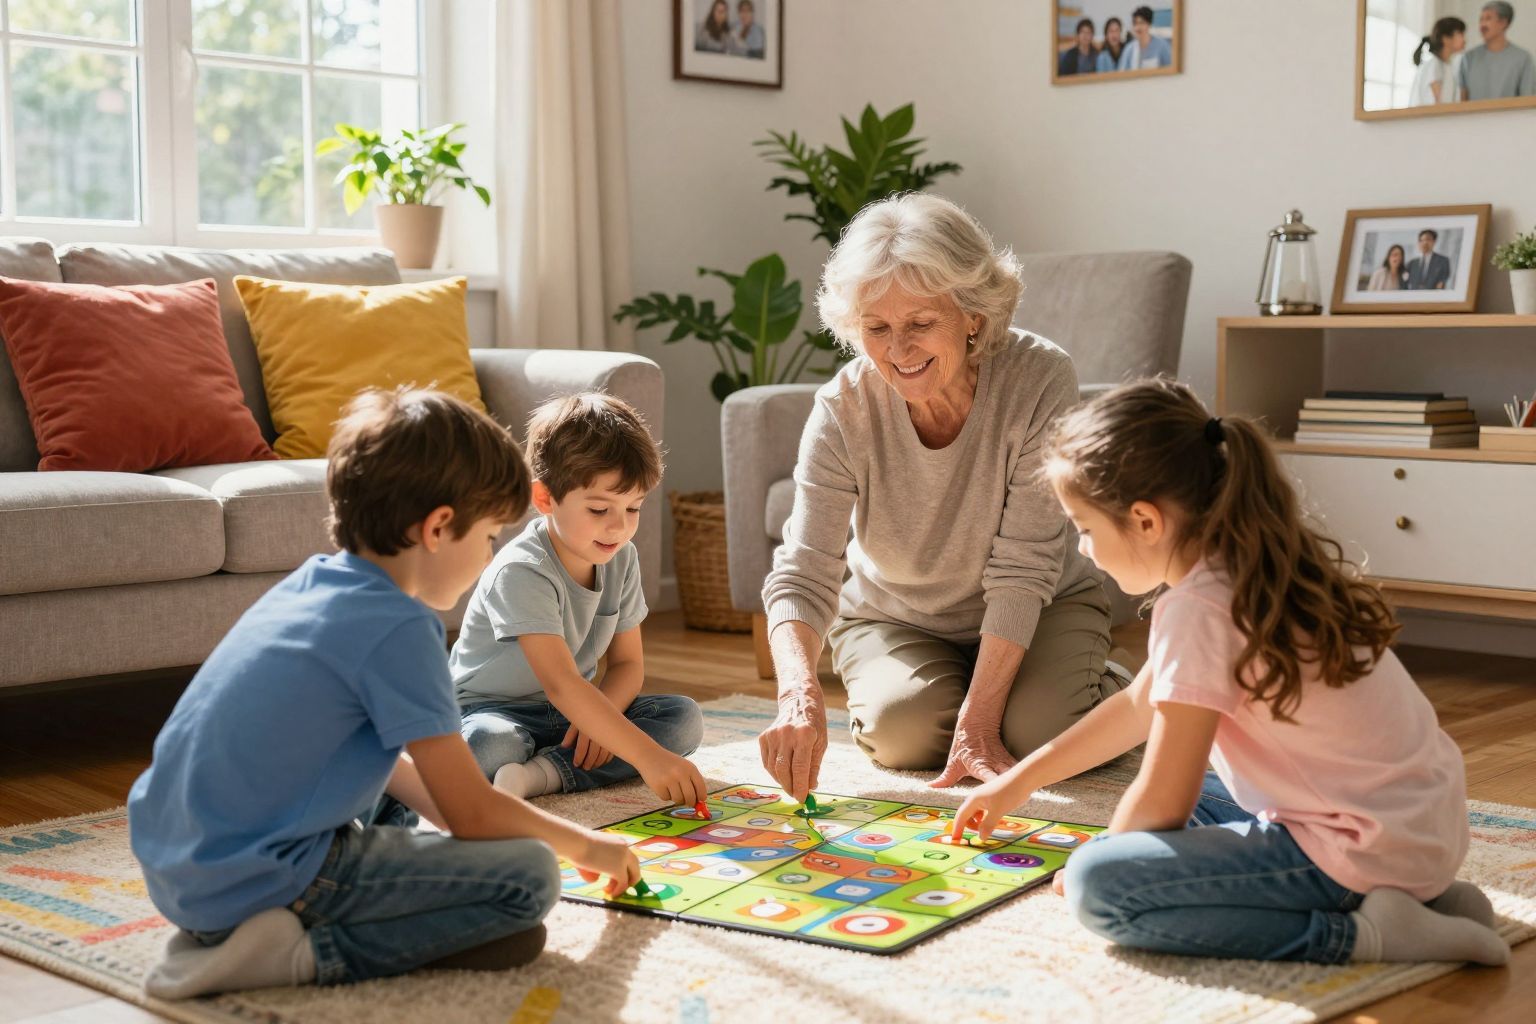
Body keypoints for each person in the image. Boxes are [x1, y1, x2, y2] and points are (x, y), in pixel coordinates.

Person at [954, 379, 1509, 967]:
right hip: (1421, 830)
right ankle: (1431, 902)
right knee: (1217, 793)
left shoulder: (1198, 610)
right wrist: (1014, 785)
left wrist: (1110, 854)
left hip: (1359, 849)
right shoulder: (1252, 567)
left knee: (1101, 885)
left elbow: (1166, 797)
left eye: (1085, 528)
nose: (1084, 548)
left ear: (1145, 521)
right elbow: (1137, 709)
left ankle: (1369, 934)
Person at [127, 388, 641, 999]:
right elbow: (472, 813)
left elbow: (398, 772)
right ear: (438, 528)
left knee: (502, 925)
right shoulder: (400, 625)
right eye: (487, 538)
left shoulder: (312, 584)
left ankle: (247, 927)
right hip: (259, 876)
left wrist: (447, 827)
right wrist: (587, 844)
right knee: (528, 878)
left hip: (176, 866)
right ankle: (289, 953)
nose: (488, 556)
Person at [756, 193, 1131, 803]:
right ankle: (969, 692)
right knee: (904, 735)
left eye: (920, 324)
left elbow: (1025, 565)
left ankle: (1112, 687)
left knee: (1042, 733)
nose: (898, 351)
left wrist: (980, 724)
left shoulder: (1040, 379)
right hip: (897, 612)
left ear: (973, 315)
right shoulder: (844, 406)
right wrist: (797, 696)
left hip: (1040, 604)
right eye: (876, 328)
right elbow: (804, 571)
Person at [453, 393, 706, 805]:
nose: (619, 527)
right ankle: (546, 764)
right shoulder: (521, 569)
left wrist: (600, 720)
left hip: (574, 710)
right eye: (599, 509)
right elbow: (561, 682)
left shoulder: (621, 557)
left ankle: (539, 776)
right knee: (487, 747)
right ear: (545, 499)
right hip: (493, 712)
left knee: (682, 720)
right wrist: (642, 755)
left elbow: (627, 664)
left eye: (634, 507)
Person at [1459, 1, 1536, 100]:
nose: (1482, 25)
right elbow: (1463, 101)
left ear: (1503, 23)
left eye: (1488, 18)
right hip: (1474, 116)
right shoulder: (1468, 58)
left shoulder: (1523, 58)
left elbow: (1527, 100)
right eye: (1481, 19)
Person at [1410, 16, 1467, 105]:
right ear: (1445, 39)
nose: (1464, 40)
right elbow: (1436, 104)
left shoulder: (1448, 67)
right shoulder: (1434, 66)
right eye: (1460, 34)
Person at [1118, 6, 1174, 70]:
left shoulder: (1162, 46)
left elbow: (1171, 69)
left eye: (1141, 23)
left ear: (1149, 24)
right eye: (1135, 23)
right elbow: (1122, 73)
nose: (1138, 27)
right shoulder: (1129, 49)